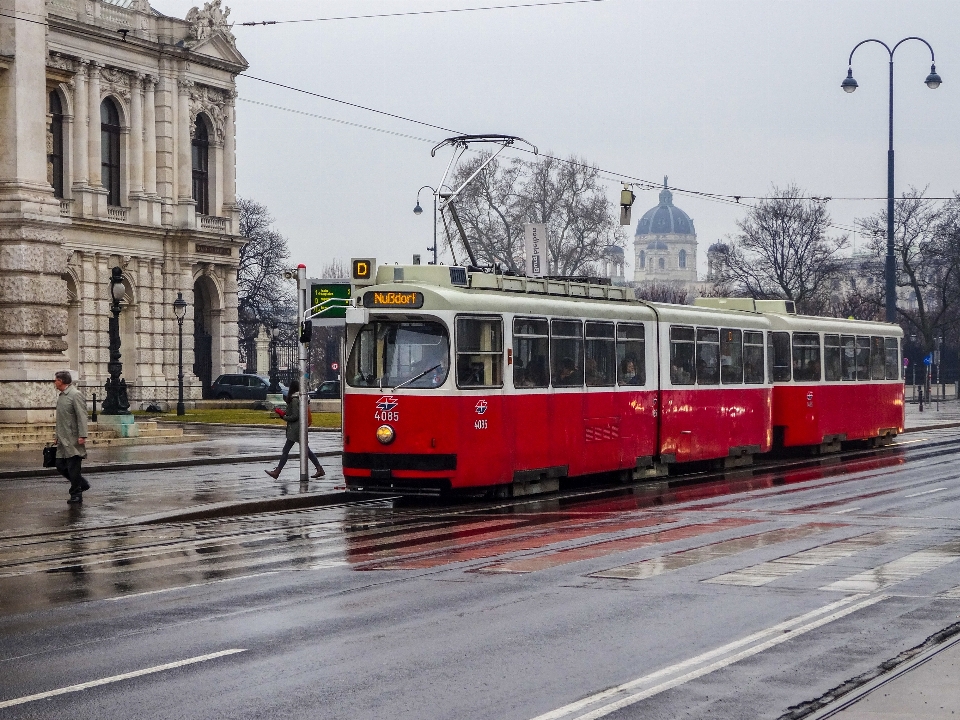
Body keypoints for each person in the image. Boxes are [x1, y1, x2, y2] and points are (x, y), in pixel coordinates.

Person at [265, 379, 325, 479]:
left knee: (286, 450)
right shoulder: (300, 398)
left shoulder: (294, 399)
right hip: (300, 428)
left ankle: (277, 472)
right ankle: (319, 468)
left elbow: (295, 416)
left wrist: (283, 416)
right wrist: (283, 413)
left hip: (295, 429)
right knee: (306, 450)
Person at [54, 370, 89, 504]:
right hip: (63, 438)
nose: (54, 382)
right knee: (59, 465)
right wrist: (57, 435)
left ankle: (76, 494)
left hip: (73, 438)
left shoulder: (75, 395)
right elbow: (61, 419)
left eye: (56, 379)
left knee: (73, 467)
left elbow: (82, 416)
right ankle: (82, 483)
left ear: (61, 381)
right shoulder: (62, 396)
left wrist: (82, 435)